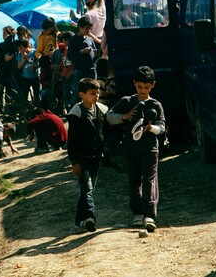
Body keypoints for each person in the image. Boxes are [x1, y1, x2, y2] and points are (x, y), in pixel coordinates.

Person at [107, 66, 165, 232]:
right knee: (134, 182)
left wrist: (152, 128)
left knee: (149, 181)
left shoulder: (155, 104)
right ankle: (137, 213)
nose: (142, 90)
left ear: (152, 85)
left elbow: (162, 126)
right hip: (130, 149)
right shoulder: (126, 101)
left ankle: (149, 215)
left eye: (146, 87)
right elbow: (110, 117)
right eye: (139, 87)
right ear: (134, 84)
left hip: (150, 149)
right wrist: (124, 117)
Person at [67, 78, 108, 233]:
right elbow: (73, 140)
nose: (96, 96)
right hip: (82, 157)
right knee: (87, 189)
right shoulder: (76, 114)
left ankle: (79, 220)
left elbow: (106, 131)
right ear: (82, 95)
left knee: (87, 190)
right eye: (92, 93)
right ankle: (90, 217)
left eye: (97, 92)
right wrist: (74, 161)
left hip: (96, 157)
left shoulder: (102, 110)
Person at [68, 16, 97, 107]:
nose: (88, 30)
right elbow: (70, 56)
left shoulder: (90, 39)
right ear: (80, 27)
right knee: (78, 93)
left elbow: (95, 52)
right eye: (86, 28)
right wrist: (82, 52)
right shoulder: (73, 40)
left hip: (91, 69)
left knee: (93, 91)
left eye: (89, 28)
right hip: (80, 70)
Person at [0, 26, 17, 115]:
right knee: (0, 89)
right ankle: (0, 107)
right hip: (2, 69)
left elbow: (11, 47)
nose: (3, 35)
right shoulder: (1, 45)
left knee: (9, 90)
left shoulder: (13, 44)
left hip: (10, 71)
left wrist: (11, 37)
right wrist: (5, 58)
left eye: (5, 33)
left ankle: (8, 108)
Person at [15, 38, 39, 106]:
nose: (20, 50)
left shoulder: (34, 52)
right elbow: (19, 66)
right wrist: (24, 59)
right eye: (19, 48)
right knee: (24, 95)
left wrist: (36, 66)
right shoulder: (20, 55)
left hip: (35, 77)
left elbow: (39, 62)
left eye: (22, 48)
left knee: (36, 94)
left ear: (27, 46)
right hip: (25, 77)